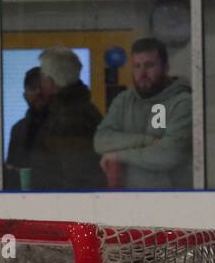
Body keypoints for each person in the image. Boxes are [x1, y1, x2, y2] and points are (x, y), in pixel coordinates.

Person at [93, 37, 192, 189]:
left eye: (149, 65)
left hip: (171, 199)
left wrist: (118, 155)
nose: (142, 73)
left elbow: (170, 154)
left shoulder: (182, 102)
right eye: (137, 66)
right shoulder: (124, 100)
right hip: (128, 199)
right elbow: (101, 141)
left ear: (166, 68)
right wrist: (147, 141)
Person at [30, 46, 106, 189]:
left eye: (42, 75)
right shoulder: (73, 110)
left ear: (51, 80)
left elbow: (75, 174)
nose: (40, 82)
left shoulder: (70, 118)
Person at [5, 66, 47, 190]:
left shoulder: (65, 125)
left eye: (43, 87)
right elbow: (12, 172)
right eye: (33, 88)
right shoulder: (18, 130)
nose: (39, 92)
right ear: (25, 95)